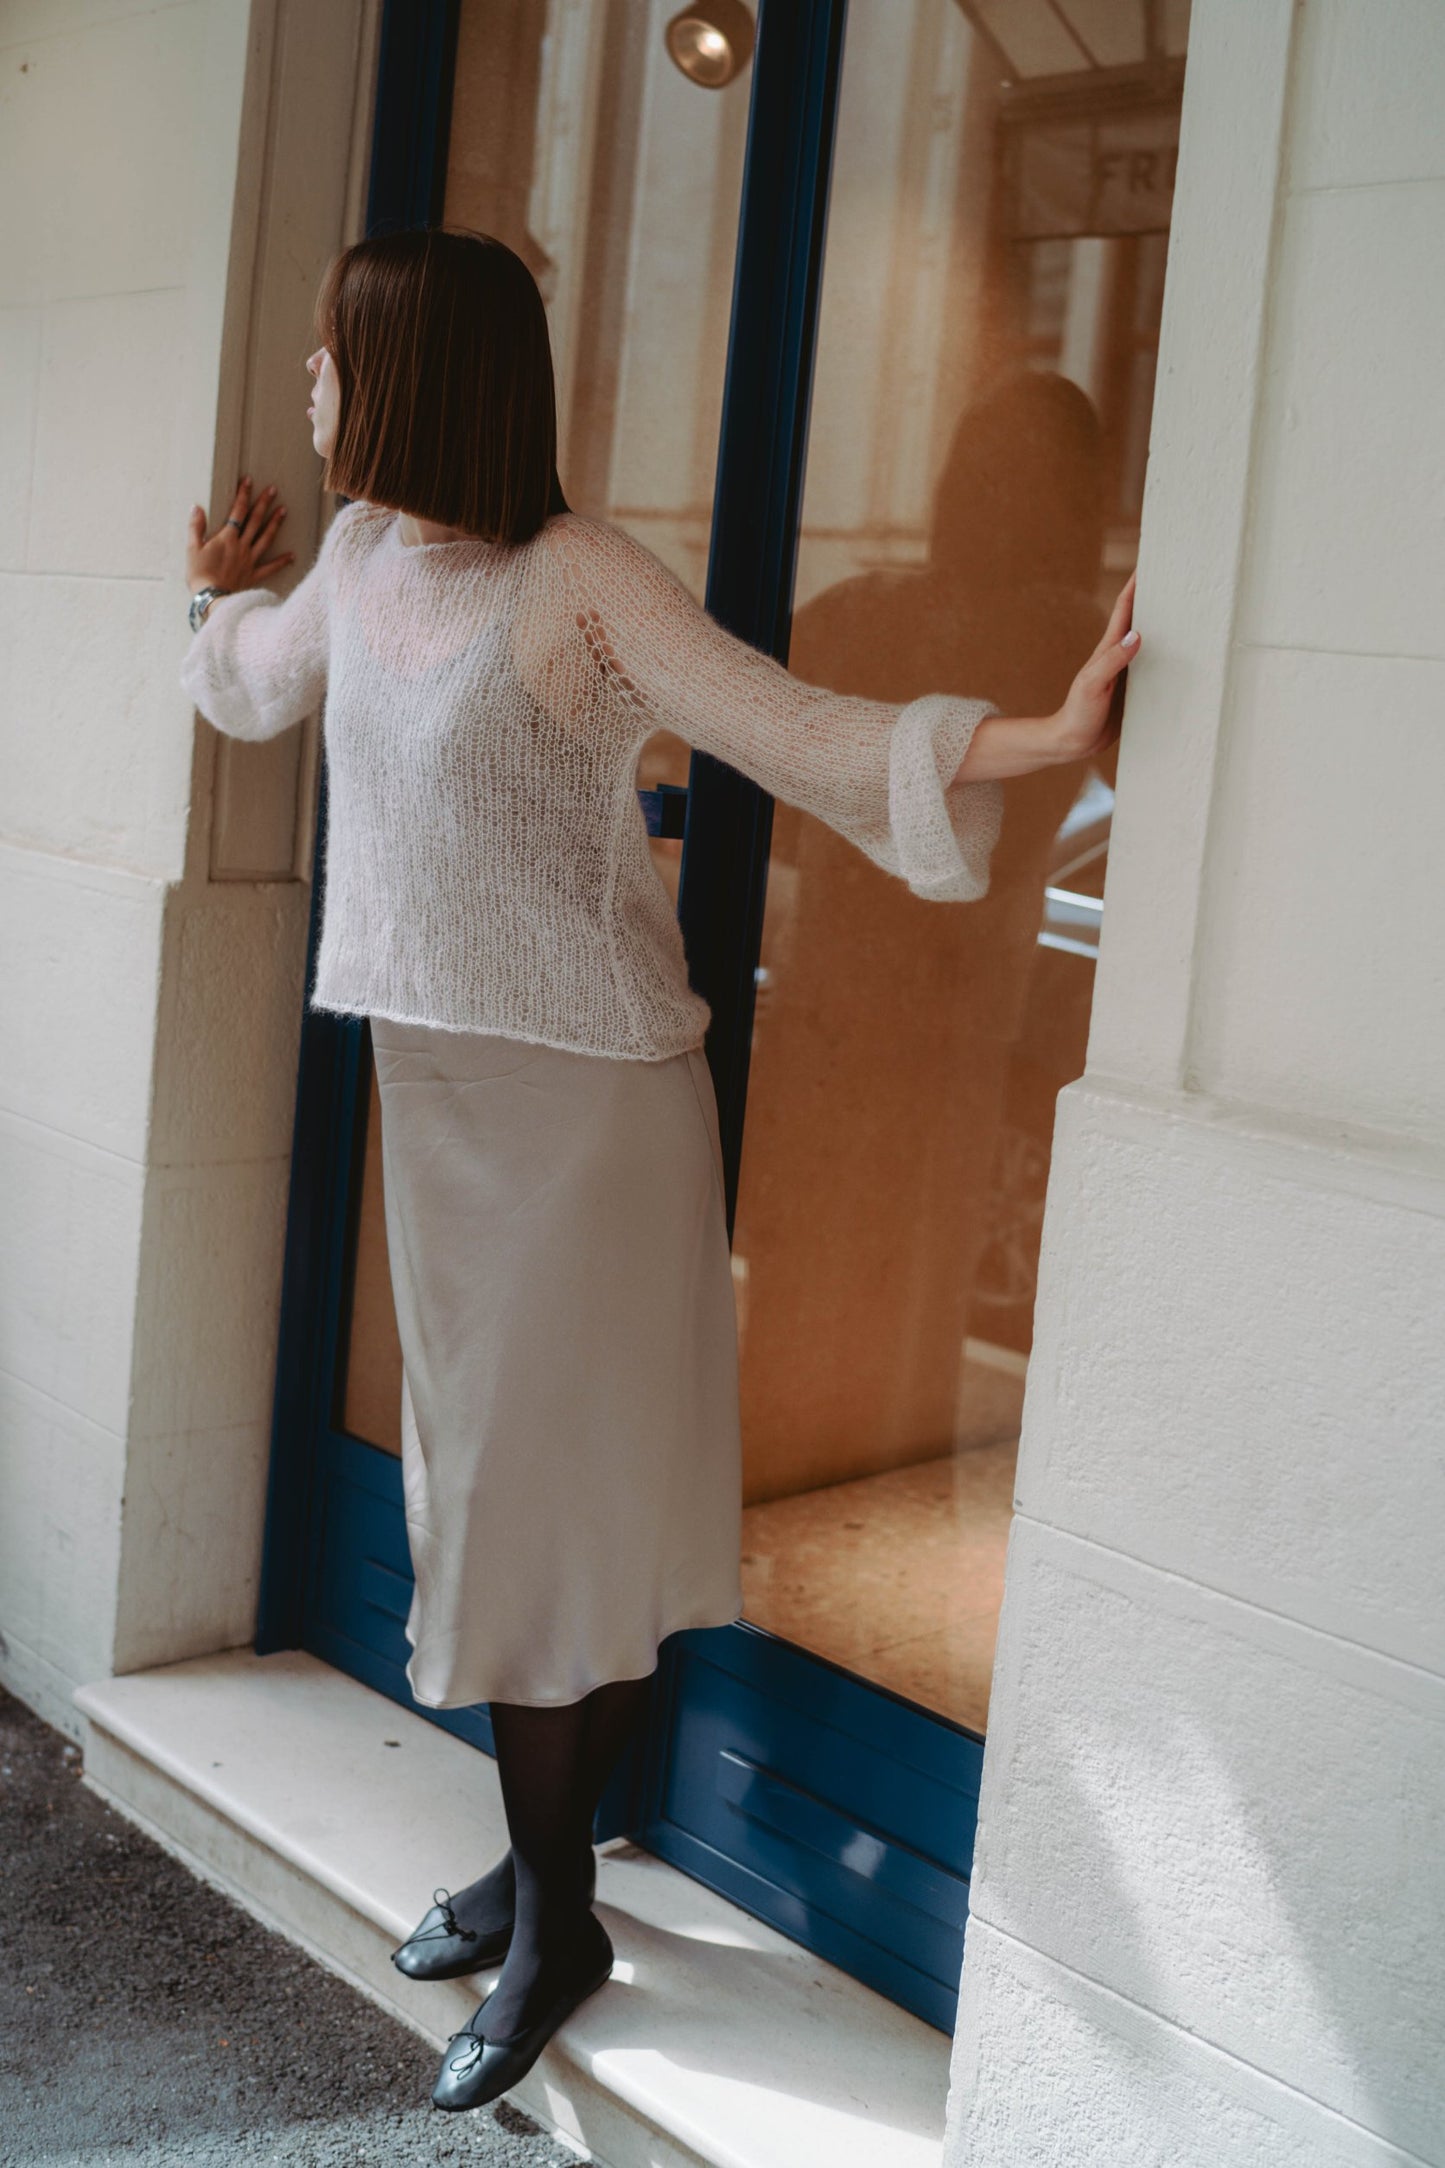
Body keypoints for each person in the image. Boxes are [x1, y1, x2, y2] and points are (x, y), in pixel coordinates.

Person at [179, 227, 1140, 2115]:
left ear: (402, 374)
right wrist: (198, 601)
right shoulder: (364, 557)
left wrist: (1041, 734)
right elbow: (251, 686)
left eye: (325, 355)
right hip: (445, 1110)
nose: (304, 389)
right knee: (530, 1520)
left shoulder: (579, 583)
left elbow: (802, 735)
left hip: (593, 1122)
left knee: (554, 1526)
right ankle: (548, 1880)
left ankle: (553, 1924)